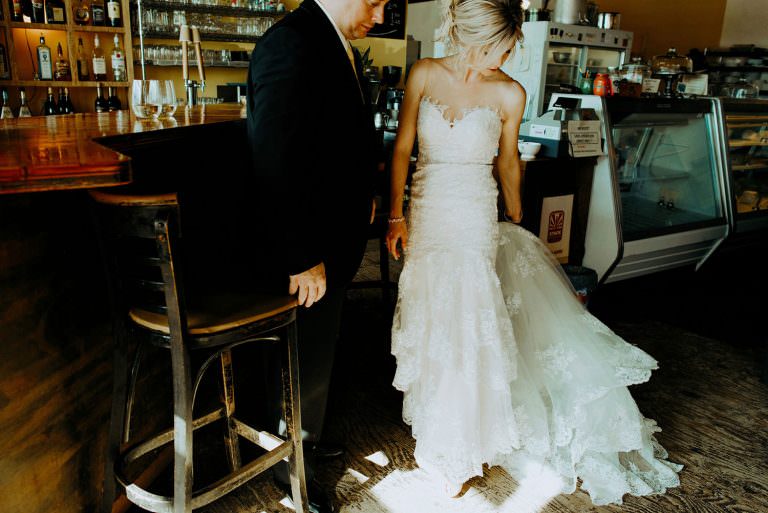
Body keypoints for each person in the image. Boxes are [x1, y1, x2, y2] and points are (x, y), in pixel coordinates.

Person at [385, 0, 682, 505]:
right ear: (478, 38)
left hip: (474, 214)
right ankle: (436, 430)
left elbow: (507, 158)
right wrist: (396, 214)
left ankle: (459, 448)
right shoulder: (424, 74)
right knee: (431, 317)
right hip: (429, 212)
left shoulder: (510, 91)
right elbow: (403, 146)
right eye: (504, 45)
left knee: (467, 324)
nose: (509, 54)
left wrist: (517, 207)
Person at [245, 0, 387, 510]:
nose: (381, 12)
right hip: (306, 245)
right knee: (301, 357)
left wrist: (365, 195)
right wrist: (301, 255)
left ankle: (308, 439)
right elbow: (275, 155)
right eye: (375, 0)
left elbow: (337, 139)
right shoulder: (291, 41)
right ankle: (291, 476)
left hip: (334, 237)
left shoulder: (332, 41)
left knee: (318, 353)